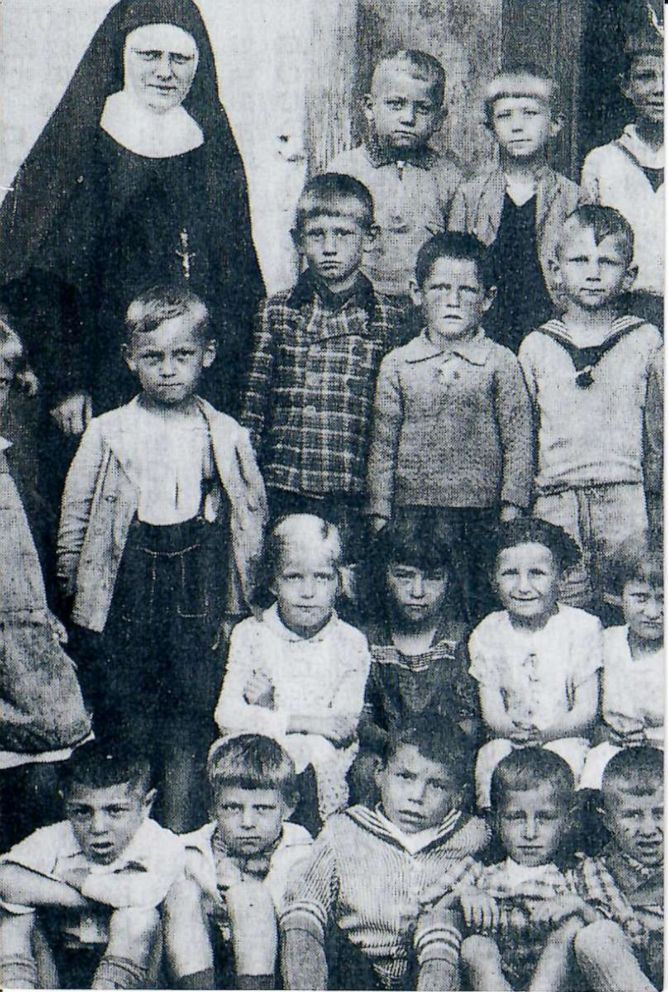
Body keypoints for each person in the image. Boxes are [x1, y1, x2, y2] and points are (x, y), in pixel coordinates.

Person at [57, 286, 267, 831]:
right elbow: (76, 524)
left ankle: (176, 835)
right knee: (127, 716)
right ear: (131, 359)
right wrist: (80, 605)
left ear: (208, 355)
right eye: (153, 357)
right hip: (126, 590)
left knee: (189, 718)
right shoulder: (109, 433)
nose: (168, 370)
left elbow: (249, 523)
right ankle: (127, 835)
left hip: (195, 588)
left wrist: (236, 606)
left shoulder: (223, 433)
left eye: (182, 356)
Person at [0, 0, 263, 434]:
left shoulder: (213, 152)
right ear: (122, 57)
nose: (165, 71)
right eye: (150, 56)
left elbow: (237, 281)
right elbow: (46, 277)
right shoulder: (84, 145)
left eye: (179, 59)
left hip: (190, 376)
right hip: (97, 374)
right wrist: (67, 380)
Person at [366, 232, 534, 621]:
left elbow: (518, 440)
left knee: (473, 607)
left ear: (488, 298)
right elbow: (382, 444)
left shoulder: (500, 363)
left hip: (479, 516)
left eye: (467, 290)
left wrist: (511, 509)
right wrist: (379, 513)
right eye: (440, 287)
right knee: (417, 605)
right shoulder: (398, 364)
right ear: (416, 292)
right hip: (413, 514)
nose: (453, 300)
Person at [241, 173, 405, 562]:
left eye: (344, 234)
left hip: (349, 486)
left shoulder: (387, 318)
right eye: (317, 235)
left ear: (370, 238)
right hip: (285, 482)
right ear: (299, 241)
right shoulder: (277, 311)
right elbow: (254, 401)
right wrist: (248, 479)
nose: (330, 248)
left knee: (345, 581)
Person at [519, 206, 663, 609]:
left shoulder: (645, 341)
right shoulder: (537, 346)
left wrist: (655, 504)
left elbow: (656, 435)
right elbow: (526, 435)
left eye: (608, 262)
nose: (594, 272)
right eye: (580, 260)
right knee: (563, 608)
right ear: (556, 270)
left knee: (626, 605)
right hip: (555, 500)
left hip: (625, 499)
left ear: (629, 275)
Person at [280, 719, 489, 991]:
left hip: (426, 967)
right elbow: (309, 897)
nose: (417, 796)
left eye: (437, 785)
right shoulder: (345, 829)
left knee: (441, 922)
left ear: (458, 796)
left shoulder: (473, 835)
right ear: (379, 773)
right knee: (302, 913)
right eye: (405, 777)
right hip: (353, 965)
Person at [215, 515, 370, 824]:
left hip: (320, 764)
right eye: (294, 577)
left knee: (312, 750)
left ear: (341, 582)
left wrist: (267, 709)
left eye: (323, 577)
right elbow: (226, 715)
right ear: (273, 581)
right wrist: (301, 720)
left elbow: (341, 727)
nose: (308, 591)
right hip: (256, 758)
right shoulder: (251, 634)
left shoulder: (351, 641)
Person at [0, 741, 185, 990]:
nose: (98, 827)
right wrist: (82, 896)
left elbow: (144, 894)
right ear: (65, 802)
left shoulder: (161, 843)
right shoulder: (56, 837)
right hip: (62, 962)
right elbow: (5, 877)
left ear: (146, 805)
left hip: (133, 963)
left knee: (138, 917)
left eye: (115, 810)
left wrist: (82, 880)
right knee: (13, 917)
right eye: (82, 812)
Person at [469, 519, 602, 808]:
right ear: (494, 580)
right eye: (509, 574)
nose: (523, 586)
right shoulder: (487, 631)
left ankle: (565, 836)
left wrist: (546, 734)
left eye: (537, 574)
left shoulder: (582, 627)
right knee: (492, 757)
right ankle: (494, 831)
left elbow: (586, 709)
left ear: (561, 579)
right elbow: (491, 710)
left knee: (568, 763)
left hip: (563, 735)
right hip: (511, 736)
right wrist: (512, 731)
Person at [349, 513, 479, 806]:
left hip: (445, 754)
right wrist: (396, 747)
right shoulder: (367, 639)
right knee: (365, 770)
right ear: (383, 575)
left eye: (433, 578)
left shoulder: (460, 639)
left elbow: (469, 722)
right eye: (404, 576)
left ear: (450, 580)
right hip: (387, 752)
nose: (418, 591)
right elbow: (361, 716)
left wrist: (431, 752)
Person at [449, 63, 580, 353]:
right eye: (505, 116)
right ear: (490, 127)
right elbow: (454, 267)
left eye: (530, 113)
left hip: (550, 323)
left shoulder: (573, 197)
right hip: (486, 326)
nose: (517, 126)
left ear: (555, 123)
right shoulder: (470, 195)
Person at [164, 735, 313, 990]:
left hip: (269, 962)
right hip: (202, 960)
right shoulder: (189, 849)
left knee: (248, 896)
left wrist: (236, 889)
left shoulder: (301, 851)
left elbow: (289, 915)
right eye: (232, 808)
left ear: (288, 807)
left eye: (263, 808)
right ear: (212, 809)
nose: (247, 822)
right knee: (182, 893)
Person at [449, 749, 595, 991]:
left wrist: (579, 906)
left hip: (558, 980)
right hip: (493, 977)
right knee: (475, 945)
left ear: (567, 821)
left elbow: (620, 930)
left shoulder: (579, 871)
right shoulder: (480, 871)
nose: (530, 832)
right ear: (496, 820)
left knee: (573, 926)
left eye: (545, 818)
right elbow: (429, 911)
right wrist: (464, 894)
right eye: (516, 817)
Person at [329, 50, 463, 304]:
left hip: (424, 308)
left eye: (423, 108)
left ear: (439, 118)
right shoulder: (345, 170)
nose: (408, 118)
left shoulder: (450, 177)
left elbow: (456, 255)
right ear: (370, 107)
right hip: (357, 303)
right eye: (396, 104)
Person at [581, 26, 664, 328]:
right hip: (622, 311)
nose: (660, 88)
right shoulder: (603, 162)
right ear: (626, 86)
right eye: (646, 77)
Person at [572, 747, 663, 992]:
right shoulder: (598, 869)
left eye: (660, 814)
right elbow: (629, 932)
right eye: (632, 815)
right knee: (596, 939)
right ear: (608, 820)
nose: (648, 829)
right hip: (637, 968)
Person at [580, 542, 663, 790]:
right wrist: (603, 734)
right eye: (640, 597)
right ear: (619, 596)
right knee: (594, 779)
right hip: (614, 748)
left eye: (663, 599)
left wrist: (651, 738)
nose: (652, 611)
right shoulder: (606, 642)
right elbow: (589, 707)